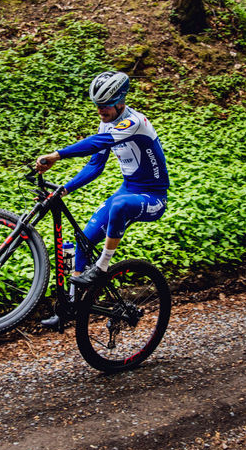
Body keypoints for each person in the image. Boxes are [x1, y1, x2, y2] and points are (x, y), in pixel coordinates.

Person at [35, 70, 169, 294]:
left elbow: (97, 143)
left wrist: (57, 155)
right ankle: (73, 303)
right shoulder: (106, 123)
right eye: (97, 105)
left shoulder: (135, 122)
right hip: (128, 190)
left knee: (120, 205)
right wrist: (64, 190)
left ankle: (102, 267)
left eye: (105, 105)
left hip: (153, 197)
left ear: (120, 101)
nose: (100, 110)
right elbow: (95, 166)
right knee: (83, 241)